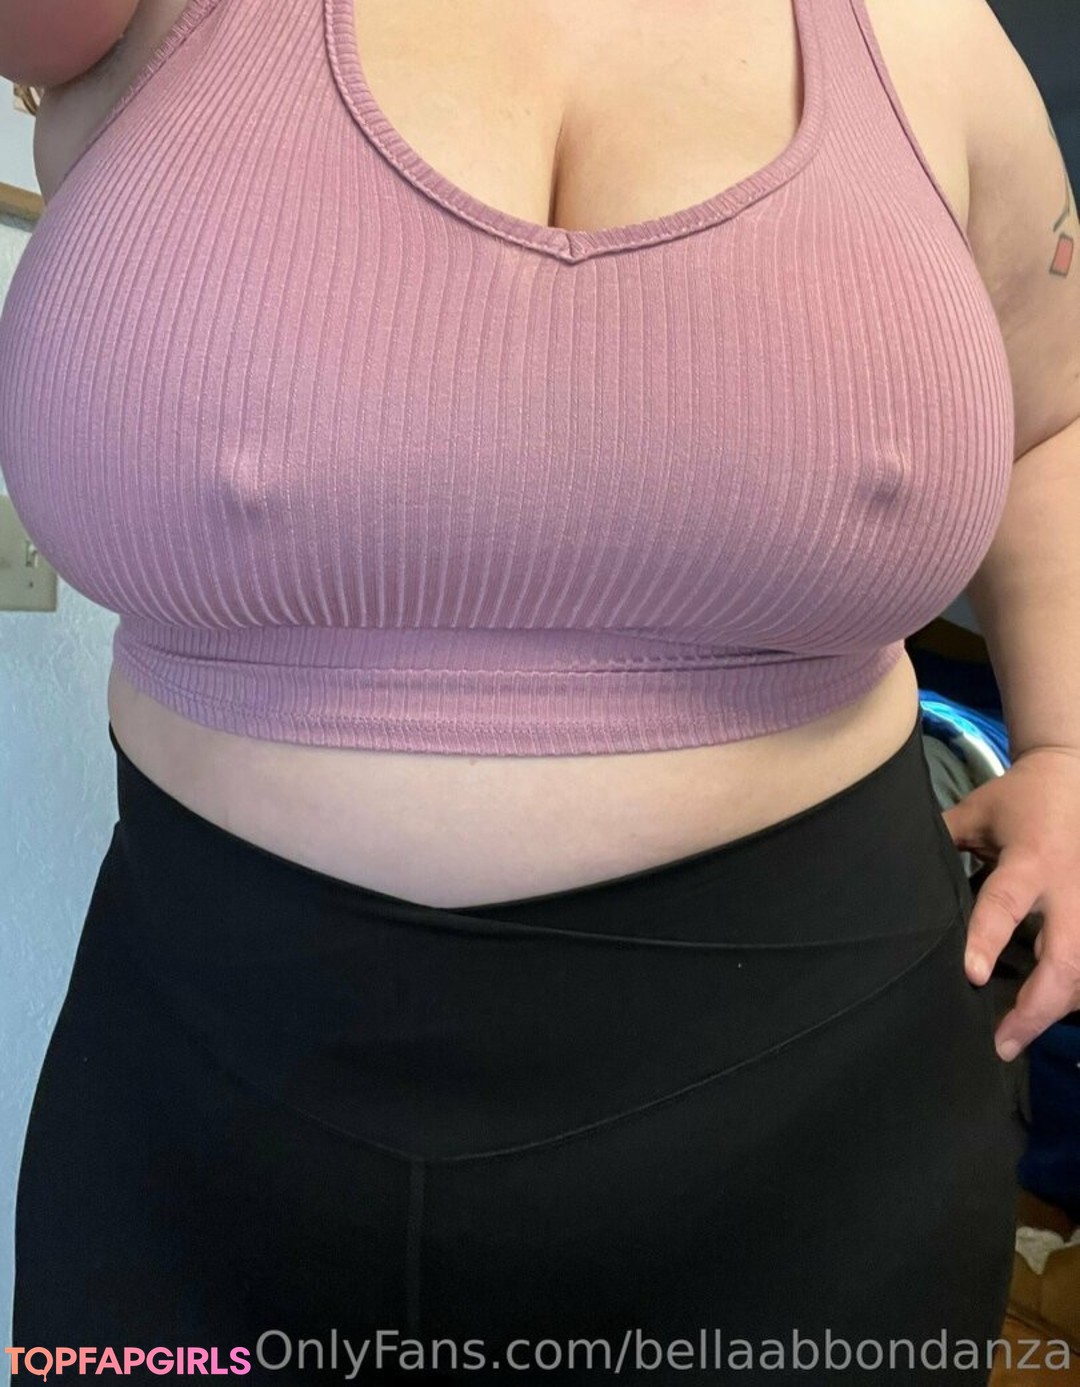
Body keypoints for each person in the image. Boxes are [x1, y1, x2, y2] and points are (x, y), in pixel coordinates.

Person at [2, 0, 1080, 1381]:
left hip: (820, 1100)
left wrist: (1063, 748)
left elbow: (1051, 417)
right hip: (205, 1087)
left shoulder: (926, 35)